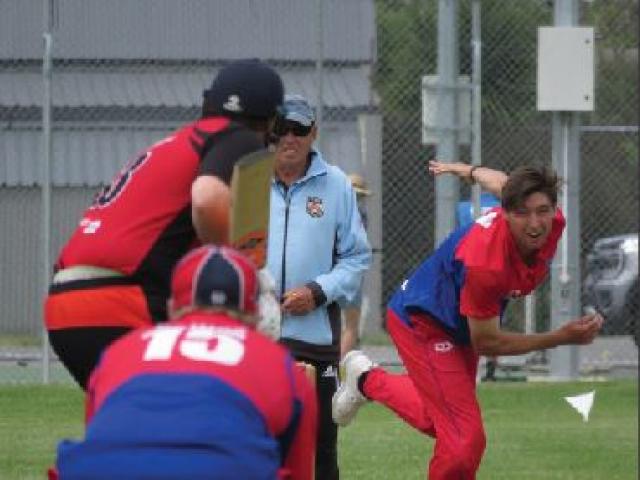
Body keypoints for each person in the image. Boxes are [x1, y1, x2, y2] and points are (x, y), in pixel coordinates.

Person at [332, 161, 604, 479]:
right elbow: (487, 342)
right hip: (422, 321)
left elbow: (501, 181)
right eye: (522, 213)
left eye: (542, 210)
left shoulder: (545, 216)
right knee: (463, 443)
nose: (535, 223)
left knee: (444, 421)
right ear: (505, 213)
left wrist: (466, 169)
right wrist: (561, 337)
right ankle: (366, 380)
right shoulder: (486, 262)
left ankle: (366, 379)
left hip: (458, 325)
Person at [44, 59, 284, 389]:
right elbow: (207, 197)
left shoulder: (176, 142)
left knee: (137, 425)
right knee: (186, 416)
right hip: (122, 299)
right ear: (269, 120)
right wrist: (245, 270)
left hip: (64, 304)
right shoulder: (238, 137)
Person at [51, 245, 317, 480]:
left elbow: (99, 435)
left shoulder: (120, 351)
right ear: (254, 314)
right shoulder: (278, 364)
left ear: (170, 308)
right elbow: (299, 471)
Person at [266, 94, 372, 480]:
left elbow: (357, 258)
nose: (289, 138)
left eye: (298, 129)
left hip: (314, 339)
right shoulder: (247, 181)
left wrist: (317, 290)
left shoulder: (337, 186)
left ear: (313, 133)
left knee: (320, 447)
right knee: (256, 442)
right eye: (281, 129)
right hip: (256, 338)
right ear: (269, 132)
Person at [341, 173, 372, 358]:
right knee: (351, 327)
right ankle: (336, 369)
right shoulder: (361, 215)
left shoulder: (331, 212)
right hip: (350, 272)